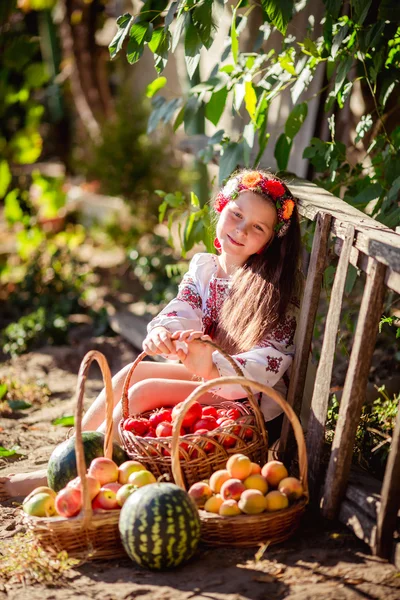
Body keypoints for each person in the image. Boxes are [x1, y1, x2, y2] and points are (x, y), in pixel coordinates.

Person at [1, 169, 301, 500]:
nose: (241, 230)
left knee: (144, 391)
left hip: (249, 397)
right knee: (129, 373)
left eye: (257, 228)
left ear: (270, 241)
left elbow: (269, 361)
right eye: (237, 214)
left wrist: (213, 366)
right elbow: (183, 307)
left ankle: (77, 476)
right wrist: (165, 332)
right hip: (208, 379)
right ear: (222, 208)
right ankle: (64, 461)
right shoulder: (206, 268)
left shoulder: (270, 292)